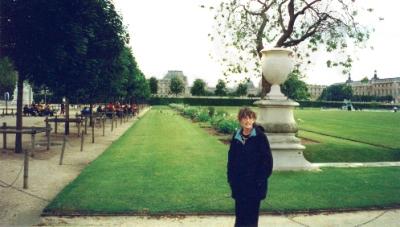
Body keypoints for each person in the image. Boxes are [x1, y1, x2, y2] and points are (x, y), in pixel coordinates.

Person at [227, 107, 273, 227]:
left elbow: (267, 162)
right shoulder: (236, 136)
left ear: (254, 119)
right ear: (240, 120)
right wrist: (231, 180)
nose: (247, 121)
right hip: (239, 185)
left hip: (254, 186)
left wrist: (259, 181)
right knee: (240, 217)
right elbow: (231, 161)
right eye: (244, 118)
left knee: (251, 219)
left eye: (250, 118)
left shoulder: (260, 137)